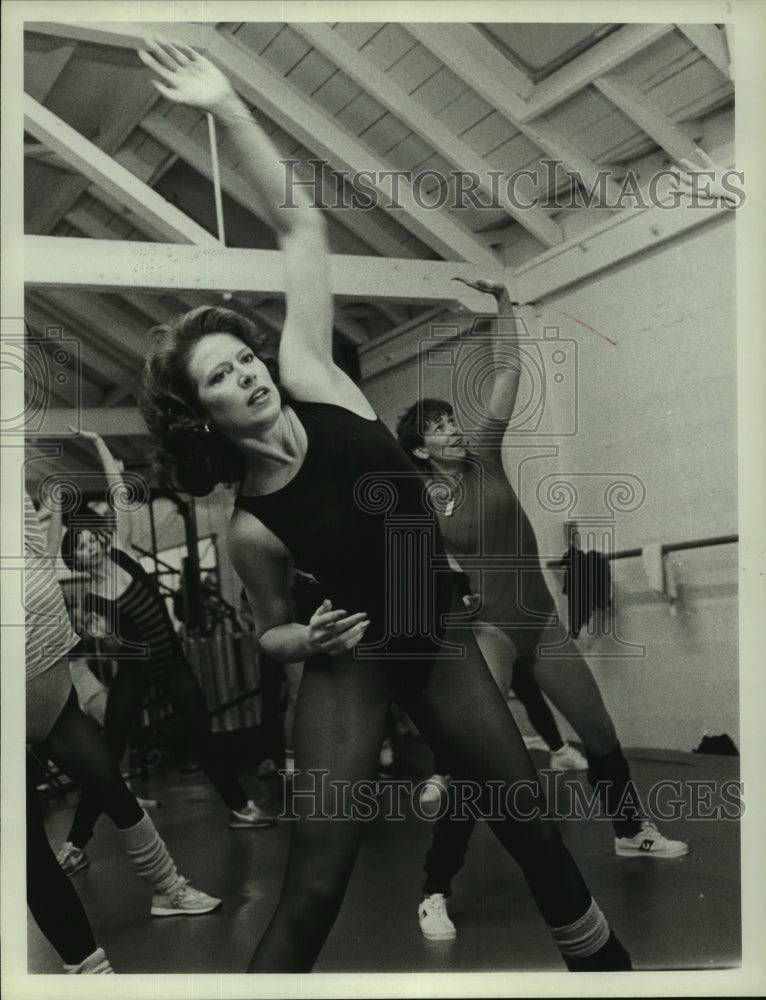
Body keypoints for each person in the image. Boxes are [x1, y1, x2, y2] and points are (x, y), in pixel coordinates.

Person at [138, 38, 631, 973]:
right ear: (200, 414)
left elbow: (302, 233)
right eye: (221, 378)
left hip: (437, 638)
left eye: (242, 357)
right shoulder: (249, 522)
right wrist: (309, 644)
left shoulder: (314, 377)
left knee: (533, 833)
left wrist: (230, 104)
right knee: (315, 886)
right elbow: (270, 635)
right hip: (349, 667)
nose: (247, 373)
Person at [396, 277, 688, 941]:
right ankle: (434, 889)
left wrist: (503, 308)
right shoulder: (417, 501)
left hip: (541, 620)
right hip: (491, 632)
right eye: (438, 430)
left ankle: (631, 830)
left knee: (601, 731)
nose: (452, 432)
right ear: (420, 449)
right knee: (481, 759)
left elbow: (508, 372)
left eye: (451, 423)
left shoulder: (487, 460)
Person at [54, 429, 274, 877]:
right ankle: (76, 843)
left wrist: (98, 443)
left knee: (202, 736)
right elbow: (115, 647)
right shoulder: (91, 600)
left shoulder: (120, 554)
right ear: (75, 558)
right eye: (80, 547)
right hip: (135, 674)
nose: (90, 547)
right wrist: (104, 635)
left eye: (91, 540)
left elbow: (118, 493)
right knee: (107, 755)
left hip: (172, 663)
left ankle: (240, 806)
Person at [24, 487, 220, 938]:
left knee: (112, 786)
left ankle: (168, 887)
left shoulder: (110, 554)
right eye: (83, 545)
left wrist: (62, 490)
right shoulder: (88, 586)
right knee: (29, 847)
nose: (90, 546)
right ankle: (84, 963)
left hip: (53, 694)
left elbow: (49, 535)